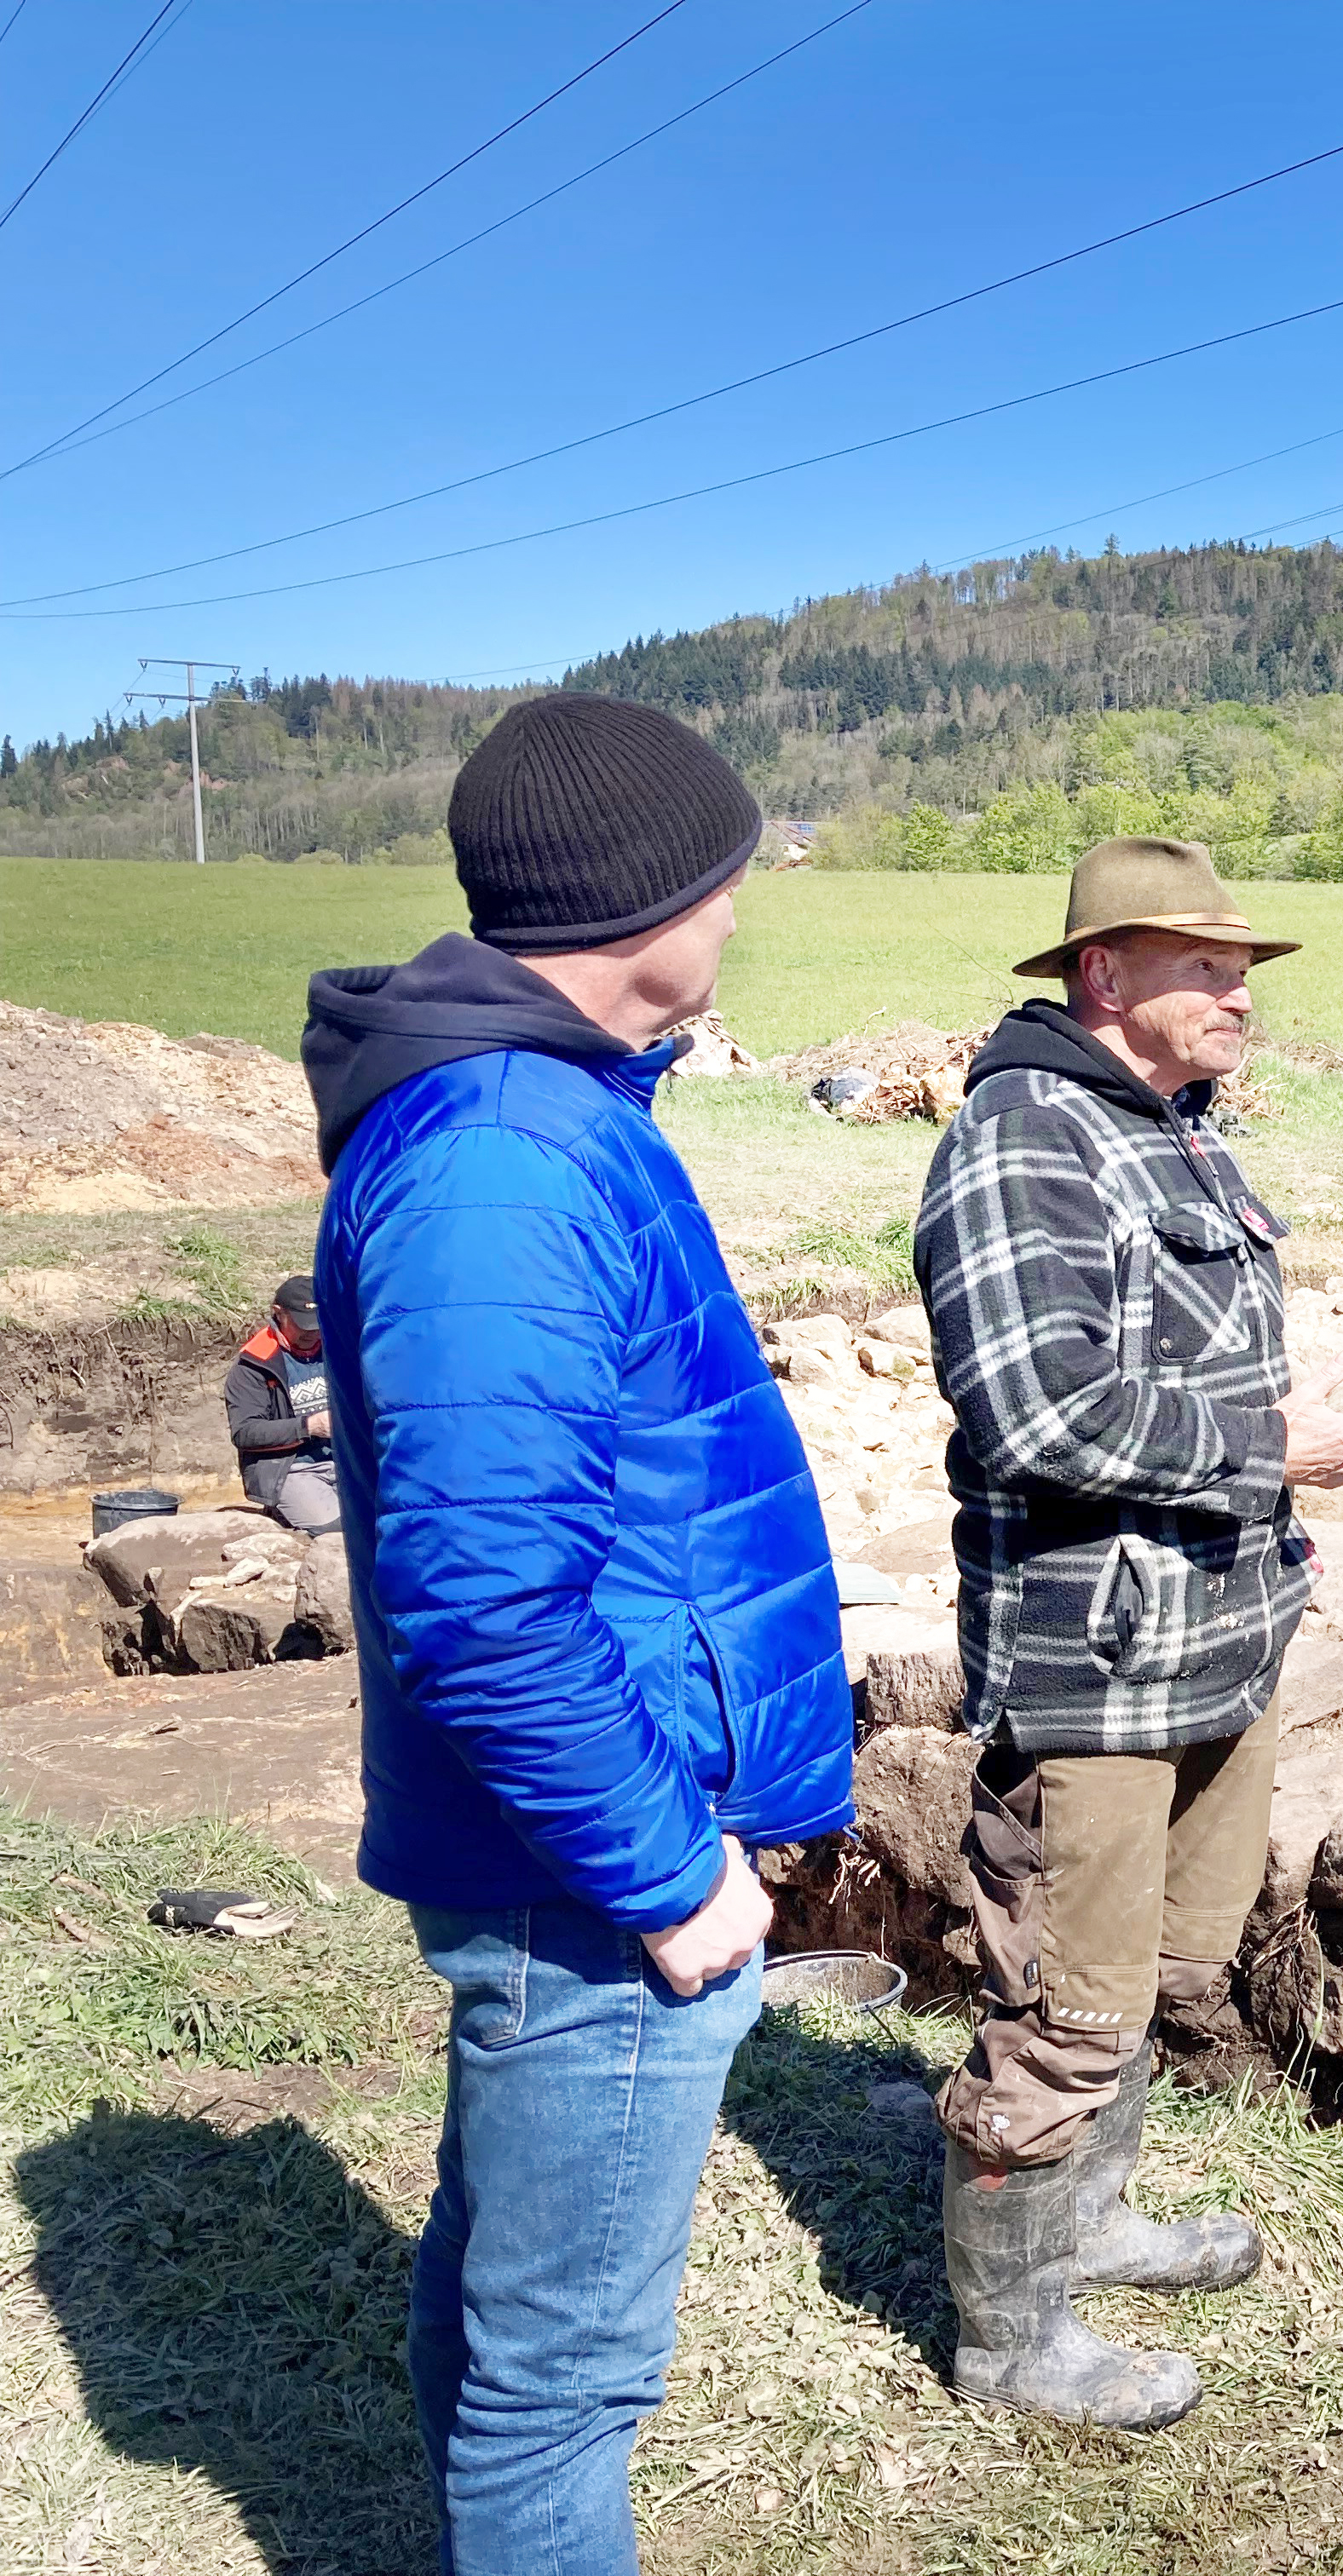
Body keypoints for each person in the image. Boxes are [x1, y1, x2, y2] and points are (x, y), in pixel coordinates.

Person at [301, 691, 854, 2576]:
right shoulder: (504, 1160)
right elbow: (483, 1598)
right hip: (591, 1880)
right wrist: (671, 1872)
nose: (744, 906)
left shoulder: (545, 1117)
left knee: (511, 2313)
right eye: (733, 871)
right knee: (564, 2380)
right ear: (654, 901)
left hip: (573, 1858)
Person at [918, 835, 1343, 2431]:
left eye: (1244, 965)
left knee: (1148, 1966)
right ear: (1100, 973)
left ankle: (1090, 2220)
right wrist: (1268, 1448)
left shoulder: (1172, 1130)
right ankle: (1007, 2339)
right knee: (1064, 1999)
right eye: (1202, 963)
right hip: (1096, 1663)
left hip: (1213, 1635)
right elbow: (1036, 1404)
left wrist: (1278, 1462)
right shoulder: (1022, 1137)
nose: (1238, 990)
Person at [224, 1273, 338, 1532]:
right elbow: (245, 1432)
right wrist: (309, 1426)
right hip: (291, 1470)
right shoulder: (253, 1365)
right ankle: (282, 1512)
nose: (312, 1332)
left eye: (317, 1323)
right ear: (279, 1313)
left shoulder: (337, 1347)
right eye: (303, 1324)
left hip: (348, 1463)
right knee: (338, 1532)